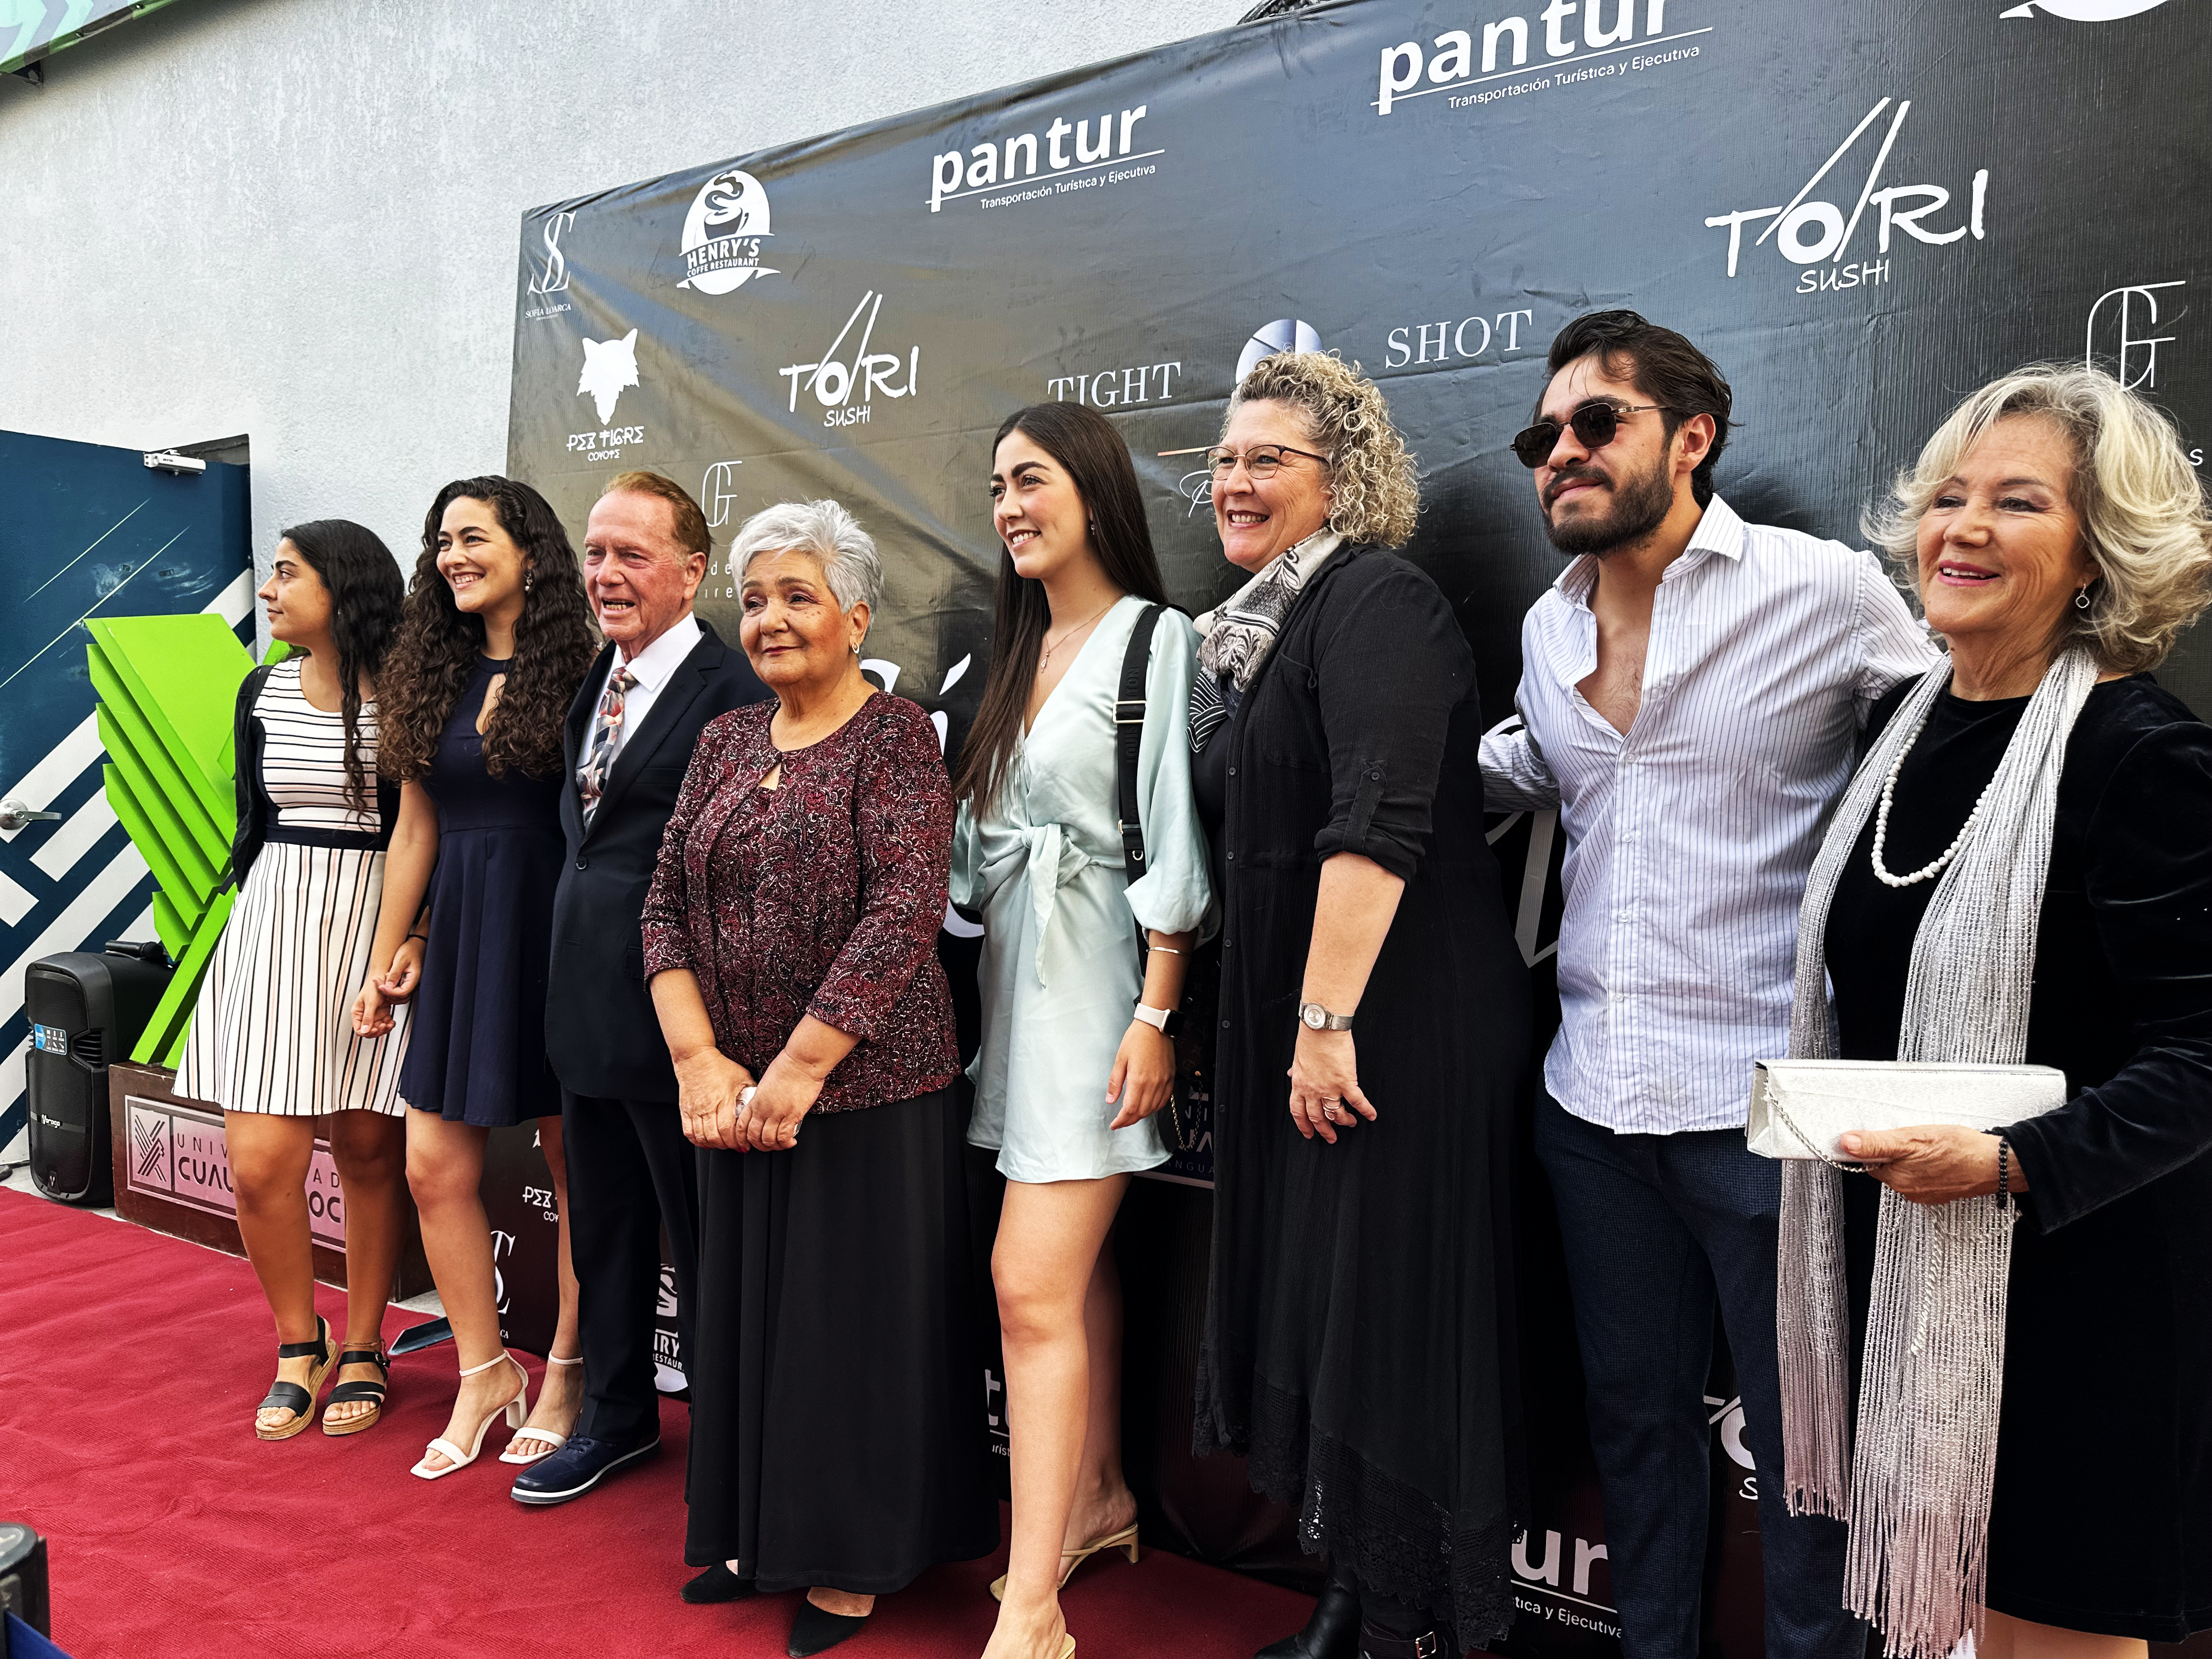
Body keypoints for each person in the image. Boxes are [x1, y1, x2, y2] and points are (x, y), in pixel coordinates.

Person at [1478, 309, 1934, 1659]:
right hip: (1590, 1108)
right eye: (1540, 435)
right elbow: (1529, 775)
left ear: (1692, 437)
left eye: (1594, 423)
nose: (1560, 450)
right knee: (1633, 1424)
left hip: (1765, 1111)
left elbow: (1957, 741)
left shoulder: (1825, 589)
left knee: (1806, 1459)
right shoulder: (1543, 628)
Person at [1781, 365, 2212, 1659]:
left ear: (2097, 557)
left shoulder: (2141, 755)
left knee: (2048, 1634)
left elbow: (2203, 1057)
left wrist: (2015, 1161)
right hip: (1917, 1257)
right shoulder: (1905, 731)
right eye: (1947, 497)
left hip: (2089, 1300)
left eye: (2016, 503)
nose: (1960, 528)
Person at [1188, 351, 1530, 1659]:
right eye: (1222, 457)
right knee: (1342, 1318)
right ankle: (1368, 1598)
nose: (1233, 479)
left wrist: (1325, 1024)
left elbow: (1377, 822)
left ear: (1349, 479)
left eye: (1267, 457)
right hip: (1312, 1033)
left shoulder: (1375, 598)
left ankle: (1397, 1622)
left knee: (1386, 1320)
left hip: (1395, 1030)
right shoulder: (1254, 634)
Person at [642, 500, 997, 1658]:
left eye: (800, 596)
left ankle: (851, 1559)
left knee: (846, 1334)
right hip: (738, 1098)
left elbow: (904, 914)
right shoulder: (725, 742)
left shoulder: (894, 738)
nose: (773, 619)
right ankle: (756, 1531)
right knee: (748, 1323)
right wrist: (700, 1059)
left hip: (867, 1096)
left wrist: (796, 1072)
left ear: (856, 615)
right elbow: (661, 907)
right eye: (754, 599)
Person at [955, 404, 1213, 1659]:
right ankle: (1098, 1500)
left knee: (1027, 1284)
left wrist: (1157, 1012)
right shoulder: (1011, 652)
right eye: (997, 484)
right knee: (1077, 1272)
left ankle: (1032, 1602)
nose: (1010, 504)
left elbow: (1172, 829)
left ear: (1097, 491)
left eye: (1033, 479)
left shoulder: (1154, 639)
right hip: (1014, 998)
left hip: (1100, 1001)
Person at [510, 471, 769, 1514]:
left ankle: (733, 1460)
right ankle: (617, 1422)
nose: (606, 575)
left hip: (687, 1031)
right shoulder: (597, 680)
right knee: (608, 1233)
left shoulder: (735, 694)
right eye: (597, 552)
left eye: (633, 555)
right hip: (585, 1019)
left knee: (707, 1249)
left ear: (694, 571)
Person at [352, 475, 599, 1480]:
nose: (453, 555)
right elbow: (417, 826)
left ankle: (571, 1370)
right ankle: (484, 1369)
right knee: (432, 1169)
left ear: (530, 553)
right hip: (460, 936)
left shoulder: (589, 670)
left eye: (474, 537)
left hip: (558, 932)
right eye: (442, 541)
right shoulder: (426, 672)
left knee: (573, 1165)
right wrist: (388, 950)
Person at [180, 520, 408, 1441]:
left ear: (343, 587)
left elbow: (415, 830)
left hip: (373, 925)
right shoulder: (258, 689)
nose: (268, 591)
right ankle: (294, 1339)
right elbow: (256, 819)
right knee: (259, 1162)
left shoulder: (409, 697)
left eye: (285, 574)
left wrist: (409, 939)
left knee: (366, 1151)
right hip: (273, 924)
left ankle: (363, 1342)